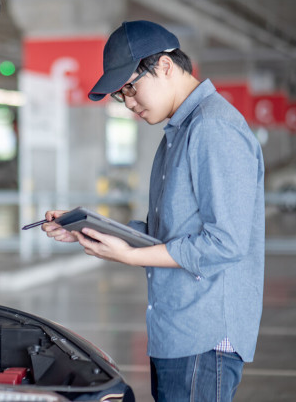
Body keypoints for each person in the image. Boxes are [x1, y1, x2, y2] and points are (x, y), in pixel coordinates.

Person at [41, 20, 265, 402]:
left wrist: (130, 256)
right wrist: (88, 229)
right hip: (177, 330)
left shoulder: (213, 128)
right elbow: (167, 231)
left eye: (130, 86)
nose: (128, 101)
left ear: (164, 66)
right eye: (120, 94)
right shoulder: (177, 134)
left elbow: (225, 243)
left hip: (203, 335)